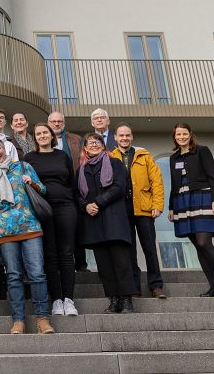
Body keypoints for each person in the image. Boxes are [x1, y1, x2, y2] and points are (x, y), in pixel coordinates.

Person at [0, 138, 54, 335]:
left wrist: (32, 183)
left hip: (29, 226)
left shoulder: (22, 166)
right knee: (13, 276)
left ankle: (42, 319)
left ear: (5, 149)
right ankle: (18, 320)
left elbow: (43, 189)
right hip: (4, 231)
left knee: (37, 273)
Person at [169, 123, 214, 299]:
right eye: (178, 134)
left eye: (184, 134)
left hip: (202, 197)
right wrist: (171, 207)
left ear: (190, 134)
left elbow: (213, 175)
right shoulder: (173, 158)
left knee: (205, 242)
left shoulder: (202, 151)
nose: (181, 137)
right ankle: (213, 287)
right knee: (199, 246)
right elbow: (174, 185)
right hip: (182, 201)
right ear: (174, 137)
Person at [76, 133, 137, 314]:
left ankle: (127, 299)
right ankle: (113, 299)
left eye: (97, 142)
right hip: (94, 223)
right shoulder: (81, 169)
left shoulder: (115, 163)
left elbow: (119, 187)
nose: (94, 145)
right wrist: (86, 205)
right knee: (104, 266)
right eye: (90, 143)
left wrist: (98, 202)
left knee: (121, 262)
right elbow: (76, 194)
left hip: (114, 220)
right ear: (85, 148)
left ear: (103, 145)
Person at [23, 122, 79, 316]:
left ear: (51, 135)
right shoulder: (29, 158)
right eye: (38, 133)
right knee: (50, 254)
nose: (42, 135)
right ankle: (56, 299)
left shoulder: (62, 156)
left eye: (45, 132)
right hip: (42, 209)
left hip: (66, 207)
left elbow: (72, 182)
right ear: (35, 137)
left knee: (66, 253)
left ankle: (69, 299)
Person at [110, 122, 167, 299]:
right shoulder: (110, 157)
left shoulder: (144, 156)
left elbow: (156, 181)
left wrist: (157, 204)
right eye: (121, 135)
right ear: (115, 138)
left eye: (127, 135)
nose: (124, 138)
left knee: (149, 248)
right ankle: (134, 287)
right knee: (129, 250)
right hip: (122, 209)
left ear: (132, 137)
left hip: (144, 208)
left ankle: (156, 286)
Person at [47, 110, 86, 271]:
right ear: (48, 123)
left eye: (60, 121)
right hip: (53, 191)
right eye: (53, 121)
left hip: (74, 187)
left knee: (77, 226)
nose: (57, 124)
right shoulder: (42, 139)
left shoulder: (76, 139)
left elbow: (84, 161)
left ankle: (81, 264)